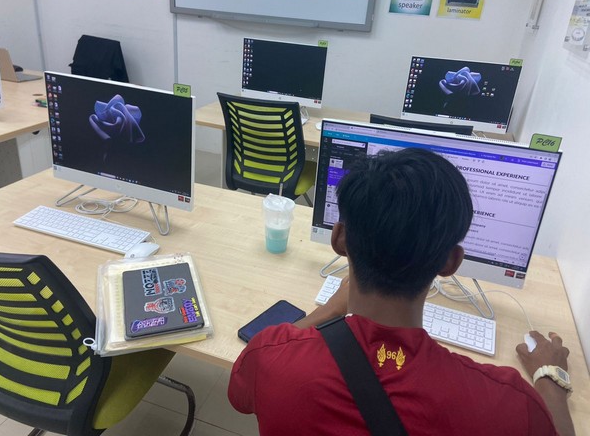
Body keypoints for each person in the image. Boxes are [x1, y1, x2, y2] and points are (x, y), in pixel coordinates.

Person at [228, 148, 575, 435]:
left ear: (339, 239)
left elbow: (239, 396)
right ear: (451, 262)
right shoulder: (508, 403)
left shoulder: (270, 357)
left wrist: (329, 311)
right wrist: (551, 380)